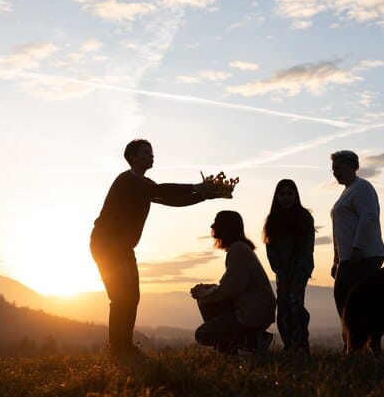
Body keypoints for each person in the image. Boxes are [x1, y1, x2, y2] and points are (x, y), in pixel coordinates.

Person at [90, 139, 225, 355]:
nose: (151, 156)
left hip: (121, 247)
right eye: (146, 152)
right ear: (133, 157)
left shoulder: (143, 185)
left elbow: (169, 199)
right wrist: (196, 187)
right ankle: (118, 347)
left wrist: (202, 196)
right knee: (121, 296)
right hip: (107, 244)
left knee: (131, 295)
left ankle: (122, 346)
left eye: (151, 152)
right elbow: (163, 190)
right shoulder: (129, 180)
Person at [191, 210, 276, 354]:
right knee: (206, 293)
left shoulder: (238, 249)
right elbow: (231, 285)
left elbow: (231, 289)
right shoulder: (240, 248)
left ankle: (253, 340)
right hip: (254, 310)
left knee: (202, 334)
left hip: (252, 313)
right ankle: (232, 347)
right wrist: (207, 290)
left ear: (226, 227)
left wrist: (204, 294)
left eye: (217, 222)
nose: (212, 226)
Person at [330, 150, 384, 318]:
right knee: (347, 298)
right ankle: (353, 340)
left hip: (363, 256)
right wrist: (336, 259)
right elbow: (340, 230)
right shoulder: (348, 191)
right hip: (349, 257)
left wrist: (357, 248)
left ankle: (356, 340)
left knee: (350, 298)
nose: (334, 173)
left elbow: (368, 217)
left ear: (351, 167)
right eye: (333, 169)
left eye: (338, 168)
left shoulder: (362, 188)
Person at [262, 179, 315, 352]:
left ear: (296, 195)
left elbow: (307, 248)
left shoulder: (304, 217)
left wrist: (299, 272)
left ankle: (300, 346)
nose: (286, 197)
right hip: (282, 273)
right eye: (282, 194)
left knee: (296, 307)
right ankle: (289, 345)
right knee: (283, 309)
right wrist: (280, 271)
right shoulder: (272, 220)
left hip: (300, 271)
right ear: (276, 197)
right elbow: (271, 249)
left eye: (290, 193)